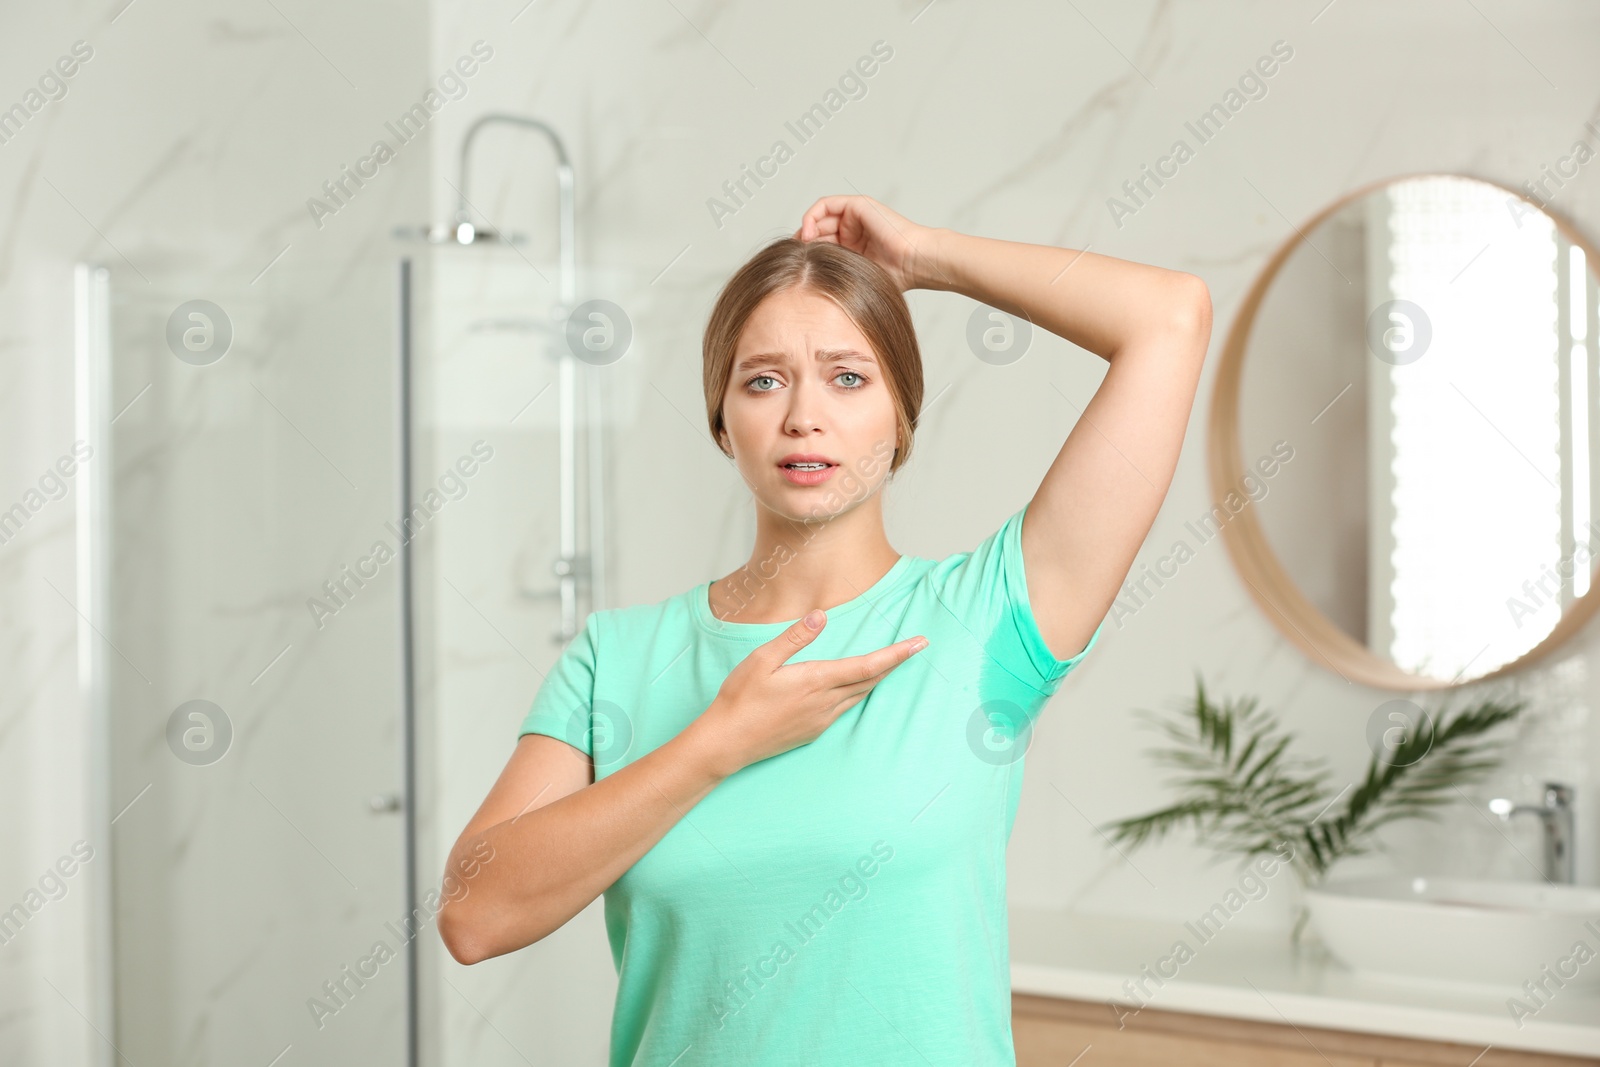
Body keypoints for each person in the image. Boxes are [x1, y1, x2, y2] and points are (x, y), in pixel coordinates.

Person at [437, 193, 1212, 1065]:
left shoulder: (987, 620)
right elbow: (473, 915)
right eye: (763, 379)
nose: (805, 414)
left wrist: (924, 257)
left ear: (902, 416)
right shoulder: (616, 659)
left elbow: (1169, 317)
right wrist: (718, 741)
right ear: (722, 421)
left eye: (849, 377)